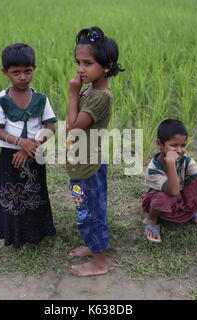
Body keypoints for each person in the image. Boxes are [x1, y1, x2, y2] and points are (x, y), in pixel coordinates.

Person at [66, 26, 124, 276]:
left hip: (88, 167)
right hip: (82, 163)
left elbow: (73, 127)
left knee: (90, 213)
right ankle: (94, 247)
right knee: (87, 208)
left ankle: (100, 264)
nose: (81, 69)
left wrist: (71, 94)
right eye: (78, 62)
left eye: (88, 63)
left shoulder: (101, 96)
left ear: (107, 65)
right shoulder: (91, 89)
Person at [0, 43, 57, 249]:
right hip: (10, 158)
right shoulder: (0, 100)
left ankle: (34, 236)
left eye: (27, 71)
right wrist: (20, 143)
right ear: (5, 73)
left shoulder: (40, 98)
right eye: (16, 72)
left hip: (35, 156)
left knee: (35, 195)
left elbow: (50, 126)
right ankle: (15, 236)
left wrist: (32, 147)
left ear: (34, 69)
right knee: (12, 196)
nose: (22, 77)